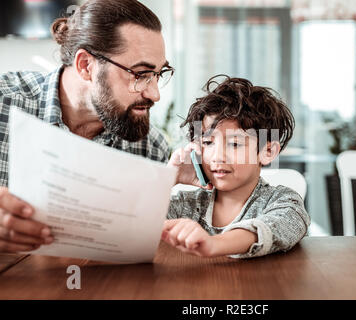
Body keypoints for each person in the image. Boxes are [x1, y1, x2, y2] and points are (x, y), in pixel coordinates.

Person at [0, 0, 204, 253]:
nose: (154, 94)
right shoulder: (4, 103)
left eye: (158, 74)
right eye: (140, 74)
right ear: (86, 66)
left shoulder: (150, 150)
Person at [163, 75, 310, 258]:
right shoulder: (186, 205)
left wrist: (213, 244)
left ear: (268, 151)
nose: (217, 156)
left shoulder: (283, 201)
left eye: (234, 144)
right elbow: (133, 223)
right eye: (208, 142)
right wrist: (167, 178)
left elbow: (276, 227)